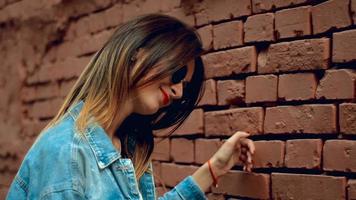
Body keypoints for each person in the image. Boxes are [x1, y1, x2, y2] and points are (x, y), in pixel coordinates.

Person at [7, 14, 255, 199]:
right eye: (178, 73)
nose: (179, 92)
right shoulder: (68, 153)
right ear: (137, 53)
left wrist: (215, 169)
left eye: (185, 87)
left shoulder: (124, 145)